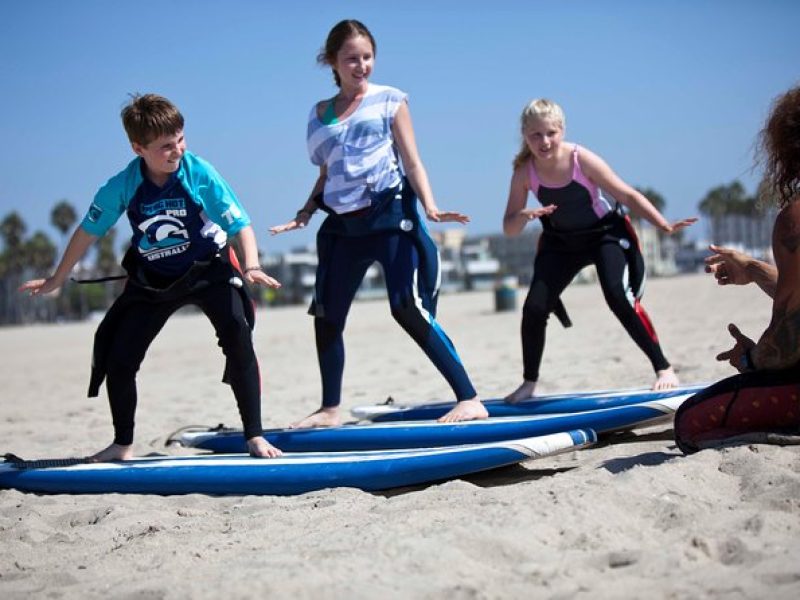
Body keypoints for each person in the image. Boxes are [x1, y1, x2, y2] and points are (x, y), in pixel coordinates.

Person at [19, 93, 283, 460]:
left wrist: (251, 265)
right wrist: (57, 278)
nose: (177, 151)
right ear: (138, 148)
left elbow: (240, 223)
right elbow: (87, 231)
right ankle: (122, 444)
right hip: (154, 279)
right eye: (165, 147)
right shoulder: (123, 185)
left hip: (209, 269)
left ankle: (254, 436)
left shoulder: (198, 173)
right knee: (120, 357)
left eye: (180, 140)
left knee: (238, 335)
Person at [269, 19, 487, 428]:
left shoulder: (390, 100)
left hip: (390, 217)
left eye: (367, 57)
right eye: (352, 58)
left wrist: (432, 207)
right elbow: (327, 175)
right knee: (328, 315)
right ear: (332, 61)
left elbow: (412, 160)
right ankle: (329, 408)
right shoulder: (317, 116)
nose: (362, 65)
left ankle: (469, 397)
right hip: (343, 228)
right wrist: (304, 212)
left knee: (407, 308)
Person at [502, 98, 696, 402]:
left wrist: (664, 225)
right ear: (525, 135)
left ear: (562, 130)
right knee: (535, 307)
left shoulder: (581, 159)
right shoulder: (524, 172)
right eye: (535, 135)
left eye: (551, 133)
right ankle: (529, 383)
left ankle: (664, 368)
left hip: (604, 234)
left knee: (618, 296)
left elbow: (627, 194)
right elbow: (509, 227)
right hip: (561, 242)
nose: (544, 141)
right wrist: (524, 216)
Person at [675, 85, 800, 453]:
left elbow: (787, 346)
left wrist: (748, 358)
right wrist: (756, 270)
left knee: (691, 420)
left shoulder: (795, 221)